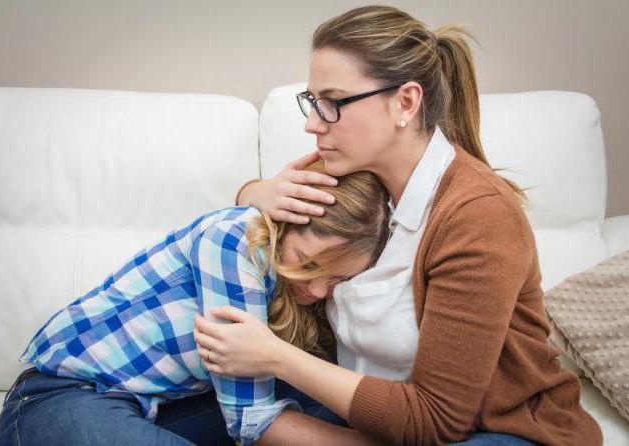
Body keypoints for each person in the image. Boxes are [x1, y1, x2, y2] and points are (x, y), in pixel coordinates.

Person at [192, 4, 603, 446]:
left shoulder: (479, 217)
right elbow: (258, 221)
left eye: (332, 103)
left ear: (405, 102)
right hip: (374, 408)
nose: (312, 123)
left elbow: (436, 421)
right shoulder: (347, 174)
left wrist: (276, 358)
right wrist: (253, 194)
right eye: (312, 102)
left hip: (500, 431)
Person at [0, 161, 392, 446]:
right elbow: (250, 421)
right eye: (309, 263)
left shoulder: (307, 283)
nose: (320, 290)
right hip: (65, 398)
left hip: (167, 406)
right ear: (283, 226)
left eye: (339, 278)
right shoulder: (235, 240)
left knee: (334, 399)